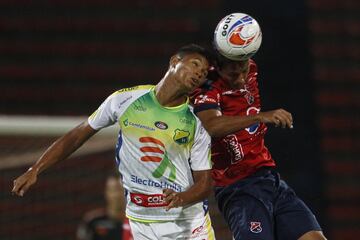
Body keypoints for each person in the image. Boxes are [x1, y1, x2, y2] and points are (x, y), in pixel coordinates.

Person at [12, 44, 216, 240]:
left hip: (187, 222)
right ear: (174, 61)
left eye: (204, 72)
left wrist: (182, 198)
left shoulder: (196, 120)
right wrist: (36, 168)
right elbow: (77, 135)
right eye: (195, 64)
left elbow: (205, 184)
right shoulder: (125, 100)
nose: (199, 73)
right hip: (141, 220)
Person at [191, 24, 327, 240]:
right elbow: (212, 126)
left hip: (269, 178)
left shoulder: (251, 68)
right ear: (219, 65)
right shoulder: (207, 87)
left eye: (243, 69)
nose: (242, 78)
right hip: (237, 188)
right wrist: (260, 116)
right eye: (234, 73)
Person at [77, 174, 133, 240]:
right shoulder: (93, 221)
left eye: (120, 190)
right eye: (113, 190)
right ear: (106, 192)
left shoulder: (134, 222)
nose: (116, 195)